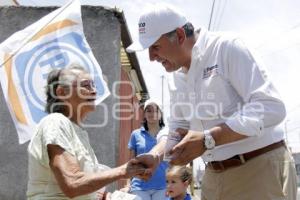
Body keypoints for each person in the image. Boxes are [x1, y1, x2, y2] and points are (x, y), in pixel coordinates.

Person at [126, 3, 298, 200]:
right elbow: (179, 126)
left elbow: (271, 108)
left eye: (155, 47)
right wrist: (156, 156)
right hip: (213, 176)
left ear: (180, 36)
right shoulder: (177, 75)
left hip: (258, 168)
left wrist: (209, 139)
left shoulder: (226, 47)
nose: (151, 57)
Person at [27, 65, 145, 200]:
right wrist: (123, 171)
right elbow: (73, 184)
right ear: (61, 92)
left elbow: (87, 189)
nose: (94, 91)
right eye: (86, 85)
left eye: (93, 85)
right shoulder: (55, 122)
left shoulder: (78, 131)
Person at [121, 100, 168, 200]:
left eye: (155, 111)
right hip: (139, 186)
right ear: (145, 114)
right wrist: (127, 184)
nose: (152, 114)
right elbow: (131, 162)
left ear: (161, 114)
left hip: (163, 186)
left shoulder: (167, 134)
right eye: (149, 111)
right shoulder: (136, 134)